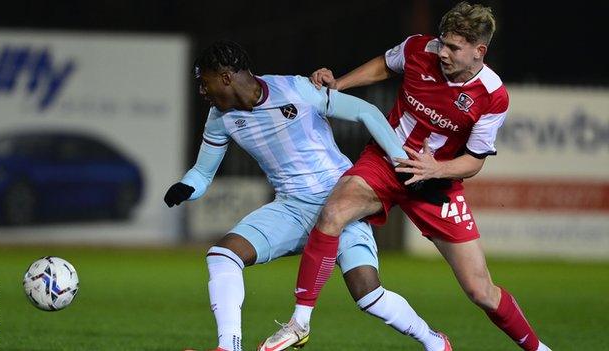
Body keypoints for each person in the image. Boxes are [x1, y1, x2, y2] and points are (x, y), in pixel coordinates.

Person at [259, 2, 552, 351]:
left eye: (453, 48)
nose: (442, 52)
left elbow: (474, 160)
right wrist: (339, 84)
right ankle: (300, 323)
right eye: (442, 42)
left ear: (479, 51)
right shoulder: (418, 48)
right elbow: (385, 65)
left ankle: (539, 349)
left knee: (480, 290)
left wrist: (437, 169)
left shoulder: (493, 96)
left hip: (436, 182)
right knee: (333, 212)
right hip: (385, 161)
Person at [164, 40, 451, 351]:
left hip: (340, 202)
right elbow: (203, 174)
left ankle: (434, 342)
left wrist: (400, 160)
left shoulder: (296, 89)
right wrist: (186, 187)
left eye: (203, 83)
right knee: (223, 256)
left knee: (368, 294)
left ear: (225, 77)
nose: (202, 92)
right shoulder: (219, 118)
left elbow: (365, 112)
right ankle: (229, 346)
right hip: (291, 208)